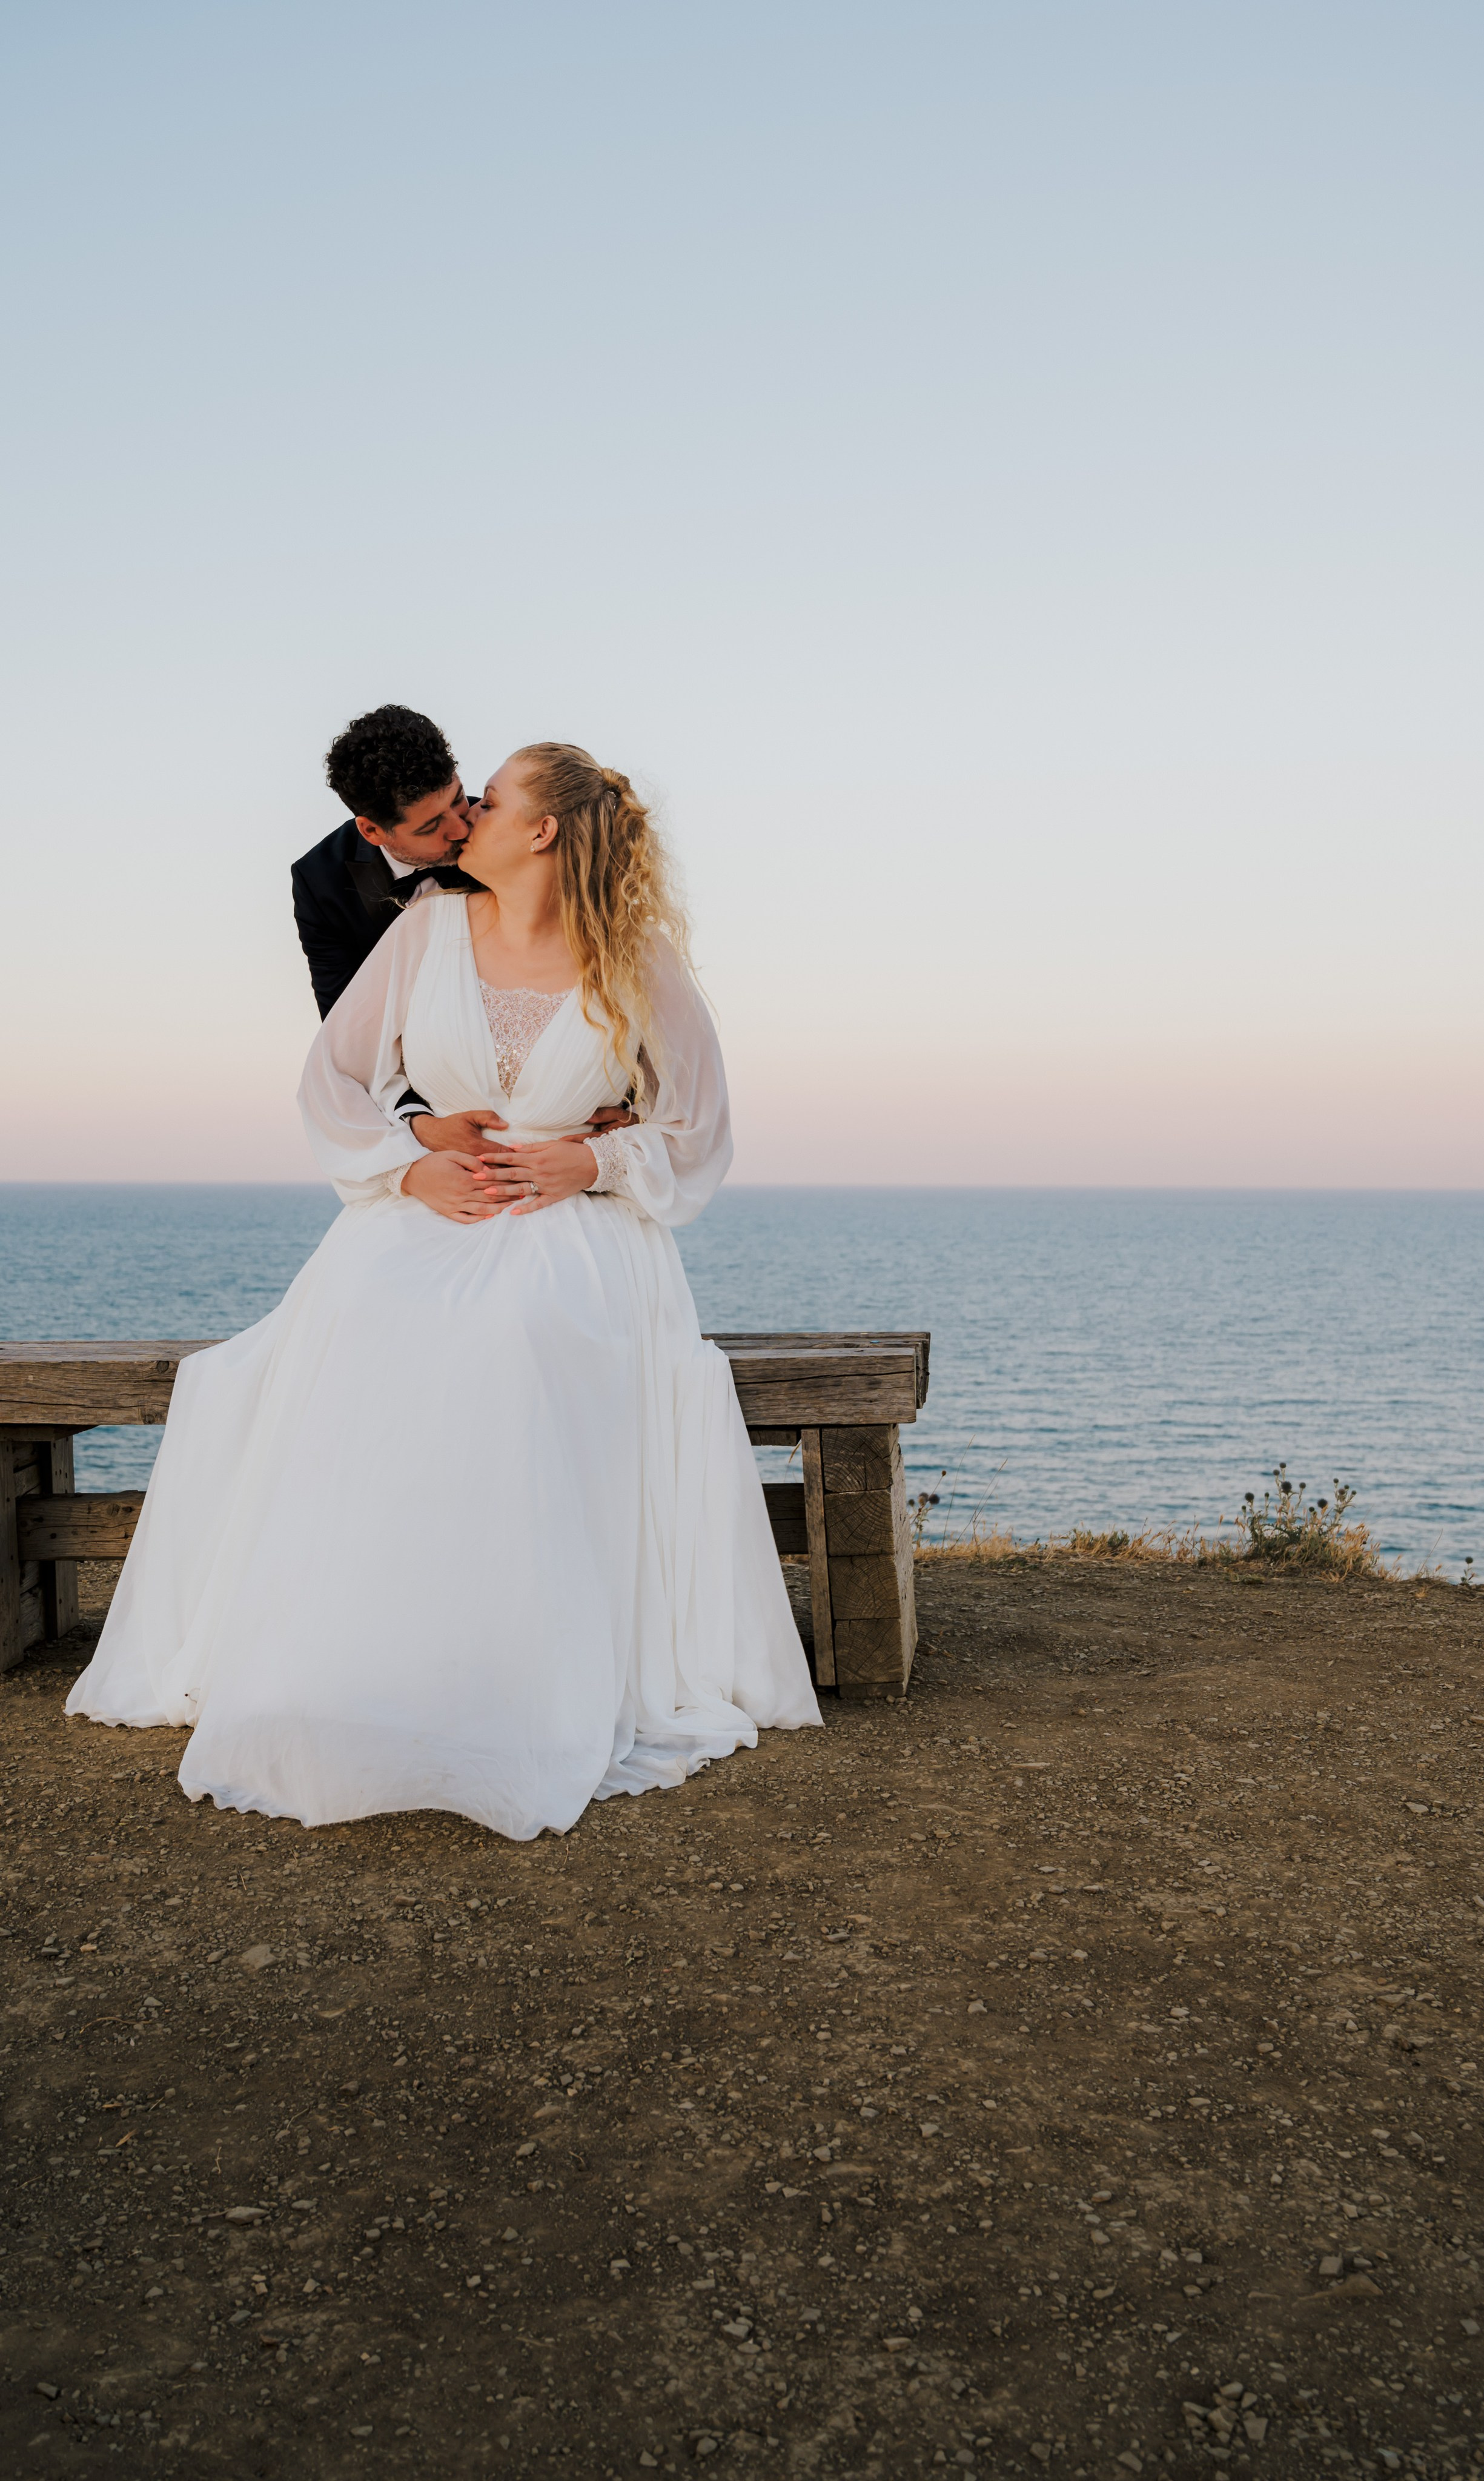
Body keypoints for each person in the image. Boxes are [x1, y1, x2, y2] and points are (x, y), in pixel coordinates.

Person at [67, 743, 822, 1836]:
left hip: (576, 1230)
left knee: (516, 1331)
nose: (468, 815)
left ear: (543, 831)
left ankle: (509, 1664)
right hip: (425, 1208)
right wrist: (407, 1162)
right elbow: (332, 1076)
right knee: (360, 1318)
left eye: (491, 800)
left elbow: (697, 1130)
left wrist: (590, 1161)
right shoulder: (424, 930)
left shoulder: (636, 959)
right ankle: (353, 1657)